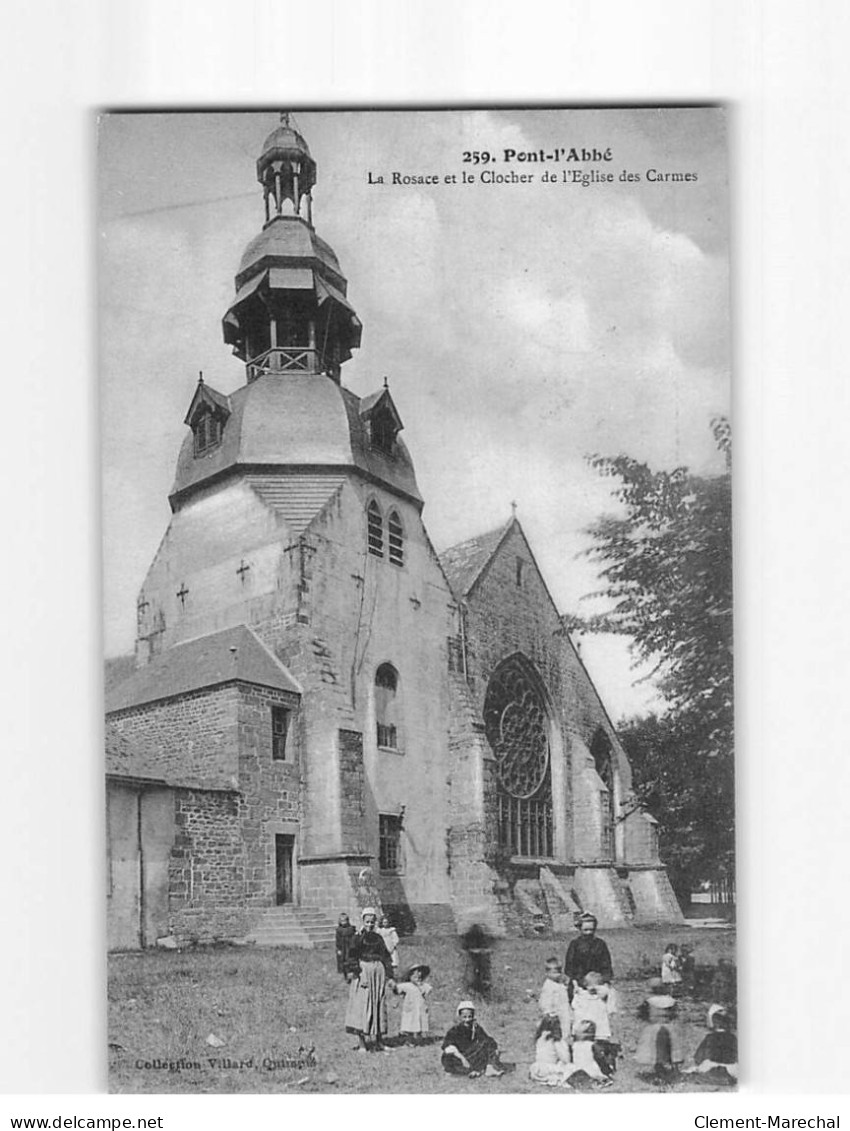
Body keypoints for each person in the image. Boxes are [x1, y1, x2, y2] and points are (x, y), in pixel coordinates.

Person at [344, 907, 395, 1053]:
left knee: (378, 1005)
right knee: (362, 1006)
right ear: (363, 922)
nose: (370, 925)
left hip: (378, 973)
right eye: (367, 922)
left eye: (372, 922)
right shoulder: (358, 938)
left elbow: (385, 956)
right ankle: (362, 1043)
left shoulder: (378, 938)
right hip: (364, 973)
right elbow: (352, 956)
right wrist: (356, 972)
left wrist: (389, 975)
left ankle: (379, 1041)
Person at [635, 979, 684, 1081]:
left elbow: (642, 1015)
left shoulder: (649, 1002)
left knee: (654, 1047)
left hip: (654, 1027)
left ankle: (660, 1068)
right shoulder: (670, 1001)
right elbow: (674, 1015)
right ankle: (671, 1067)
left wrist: (649, 1019)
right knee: (670, 1046)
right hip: (668, 1026)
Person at [572, 970, 619, 1075]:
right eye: (589, 986)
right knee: (588, 1047)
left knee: (601, 1047)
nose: (593, 989)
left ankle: (606, 1065)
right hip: (589, 1028)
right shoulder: (583, 996)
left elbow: (610, 996)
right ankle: (589, 1064)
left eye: (596, 986)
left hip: (600, 1025)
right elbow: (575, 1004)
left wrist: (603, 989)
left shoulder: (603, 996)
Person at [441, 1002, 506, 1078]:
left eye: (470, 1016)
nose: (467, 1020)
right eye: (464, 1017)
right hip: (458, 1058)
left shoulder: (475, 1028)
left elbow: (487, 1040)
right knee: (448, 1057)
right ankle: (473, 1070)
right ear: (460, 1017)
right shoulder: (455, 1030)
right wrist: (463, 1060)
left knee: (487, 1043)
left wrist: (495, 1049)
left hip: (470, 1057)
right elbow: (449, 1048)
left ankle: (488, 1068)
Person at [564, 913, 613, 1000]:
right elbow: (570, 966)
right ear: (580, 929)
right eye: (586, 930)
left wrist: (604, 980)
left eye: (591, 930)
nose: (589, 933)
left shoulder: (600, 944)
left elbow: (606, 964)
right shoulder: (575, 944)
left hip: (597, 981)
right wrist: (576, 981)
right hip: (579, 981)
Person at [686, 1006, 737, 1085]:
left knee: (695, 1070)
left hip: (711, 1066)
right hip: (732, 1068)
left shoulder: (710, 1037)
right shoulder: (733, 1037)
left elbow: (698, 1058)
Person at [393, 962, 432, 1043]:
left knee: (420, 1022)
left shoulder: (424, 986)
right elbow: (397, 989)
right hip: (410, 1009)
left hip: (420, 1008)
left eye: (419, 976)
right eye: (414, 975)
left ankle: (419, 1038)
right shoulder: (407, 986)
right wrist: (393, 986)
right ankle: (409, 1039)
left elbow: (428, 990)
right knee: (409, 1023)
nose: (417, 977)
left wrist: (420, 986)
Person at [570, 1020, 613, 1086]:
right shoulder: (579, 1045)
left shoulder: (579, 1045)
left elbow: (599, 1059)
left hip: (583, 1067)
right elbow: (600, 1059)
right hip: (584, 1068)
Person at [538, 956, 572, 1040]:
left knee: (566, 1029)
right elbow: (545, 1001)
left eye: (558, 973)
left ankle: (565, 1043)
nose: (557, 975)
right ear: (547, 973)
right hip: (555, 1013)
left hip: (564, 1011)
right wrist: (548, 1012)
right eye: (553, 973)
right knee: (556, 1032)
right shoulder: (548, 986)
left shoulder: (560, 984)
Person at [335, 912, 356, 977]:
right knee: (342, 960)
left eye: (345, 921)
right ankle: (345, 974)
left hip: (349, 947)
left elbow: (354, 937)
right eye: (342, 921)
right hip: (342, 947)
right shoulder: (339, 930)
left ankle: (351, 972)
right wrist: (338, 949)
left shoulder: (351, 929)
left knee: (350, 959)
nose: (343, 922)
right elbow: (338, 940)